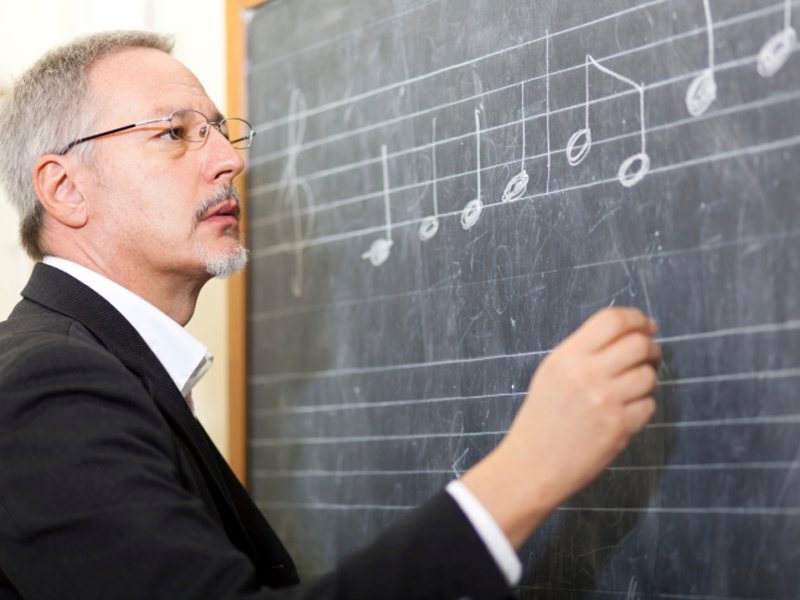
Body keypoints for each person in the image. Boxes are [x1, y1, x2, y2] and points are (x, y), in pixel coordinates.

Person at [0, 31, 661, 600]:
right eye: (174, 134)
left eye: (221, 132)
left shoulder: (93, 366)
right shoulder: (45, 386)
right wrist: (528, 471)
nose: (230, 161)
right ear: (65, 188)